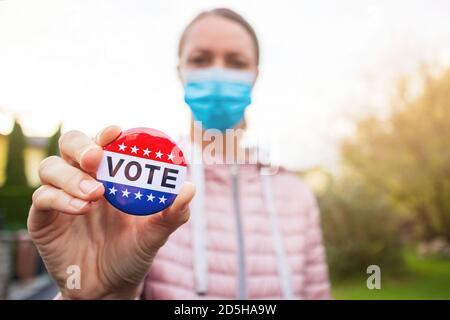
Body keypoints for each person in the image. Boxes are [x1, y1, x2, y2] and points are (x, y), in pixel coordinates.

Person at [28, 8, 331, 299]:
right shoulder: (137, 183)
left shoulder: (296, 196)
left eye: (236, 62)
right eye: (201, 59)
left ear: (255, 75)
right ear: (181, 72)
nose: (218, 72)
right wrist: (99, 296)